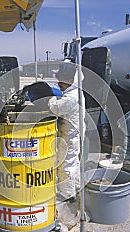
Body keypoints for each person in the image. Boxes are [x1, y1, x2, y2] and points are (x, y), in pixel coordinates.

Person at [48, 62, 85, 202]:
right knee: (73, 162)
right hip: (72, 133)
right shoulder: (75, 91)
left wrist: (49, 98)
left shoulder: (71, 97)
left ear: (70, 80)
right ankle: (75, 188)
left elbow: (56, 108)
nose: (59, 85)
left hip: (70, 135)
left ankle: (67, 195)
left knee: (66, 164)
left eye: (61, 82)